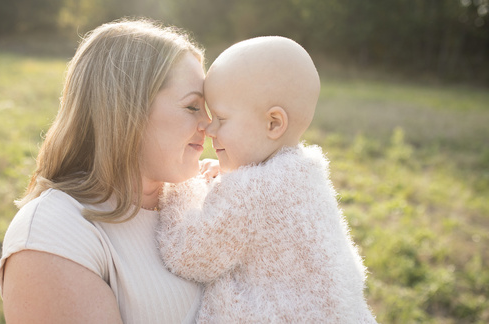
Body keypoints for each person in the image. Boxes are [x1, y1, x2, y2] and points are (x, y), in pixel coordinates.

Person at [0, 18, 213, 323]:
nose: (210, 124)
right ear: (126, 109)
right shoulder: (53, 234)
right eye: (193, 106)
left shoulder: (202, 204)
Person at [157, 36, 377, 323]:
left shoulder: (250, 195)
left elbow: (187, 255)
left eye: (221, 118)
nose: (210, 129)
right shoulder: (304, 177)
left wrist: (182, 185)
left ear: (273, 123)